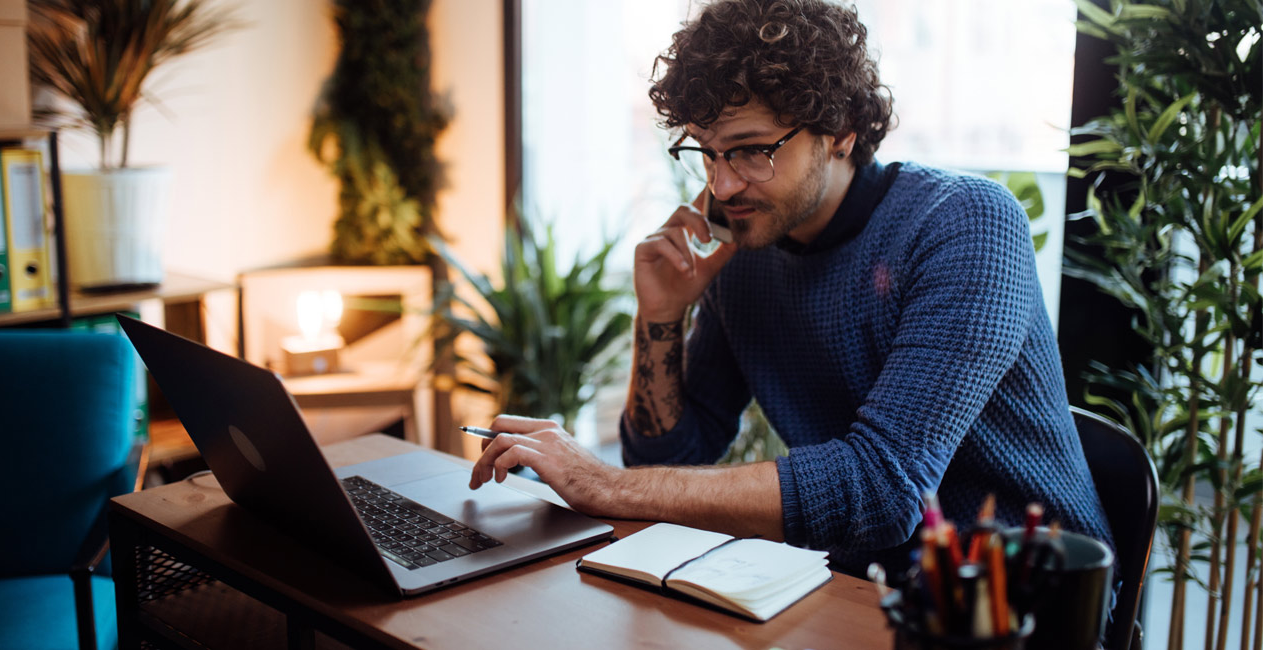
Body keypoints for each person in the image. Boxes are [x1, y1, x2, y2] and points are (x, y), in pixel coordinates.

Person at [467, 0, 1114, 579]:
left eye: (751, 151)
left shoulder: (964, 223)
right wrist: (661, 314)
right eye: (707, 153)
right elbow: (671, 453)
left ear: (840, 132)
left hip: (1028, 595)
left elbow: (883, 490)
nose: (721, 186)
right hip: (858, 590)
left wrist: (603, 485)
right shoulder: (745, 252)